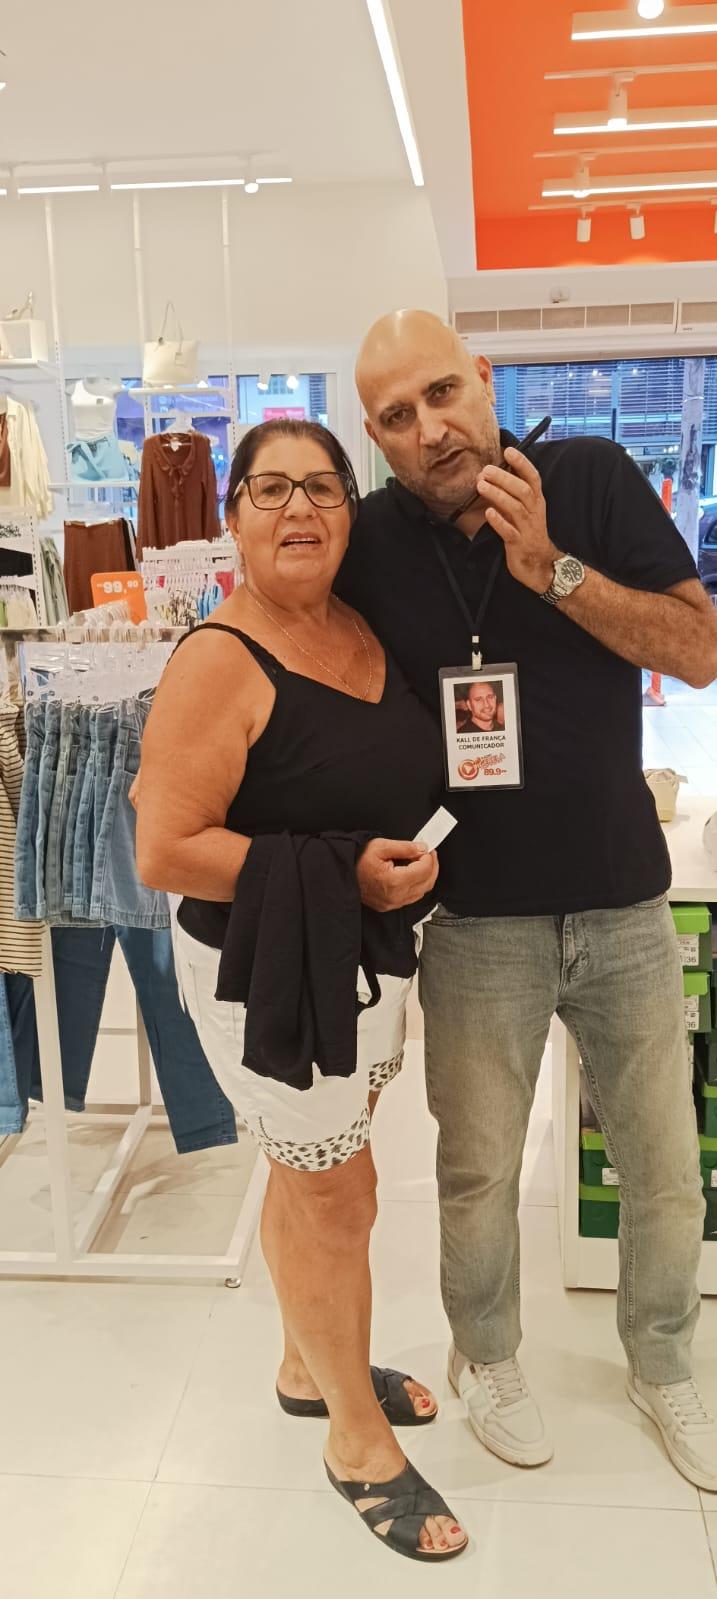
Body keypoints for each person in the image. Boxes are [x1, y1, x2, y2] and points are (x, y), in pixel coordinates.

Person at [336, 308, 717, 1489]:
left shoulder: (590, 479)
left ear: (485, 377)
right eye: (397, 416)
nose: (430, 429)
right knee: (477, 1172)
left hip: (622, 904)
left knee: (664, 1168)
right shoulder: (369, 543)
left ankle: (663, 1361)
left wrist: (552, 568)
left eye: (444, 393)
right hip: (475, 920)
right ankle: (487, 1357)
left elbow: (697, 649)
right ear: (376, 437)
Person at [135, 418, 468, 1564]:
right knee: (340, 1196)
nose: (300, 510)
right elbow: (163, 849)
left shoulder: (355, 627)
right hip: (268, 968)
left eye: (322, 488)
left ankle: (304, 1363)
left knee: (309, 1169)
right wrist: (343, 871)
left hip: (353, 956)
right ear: (232, 516)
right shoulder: (219, 658)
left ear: (349, 511)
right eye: (271, 489)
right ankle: (356, 1442)